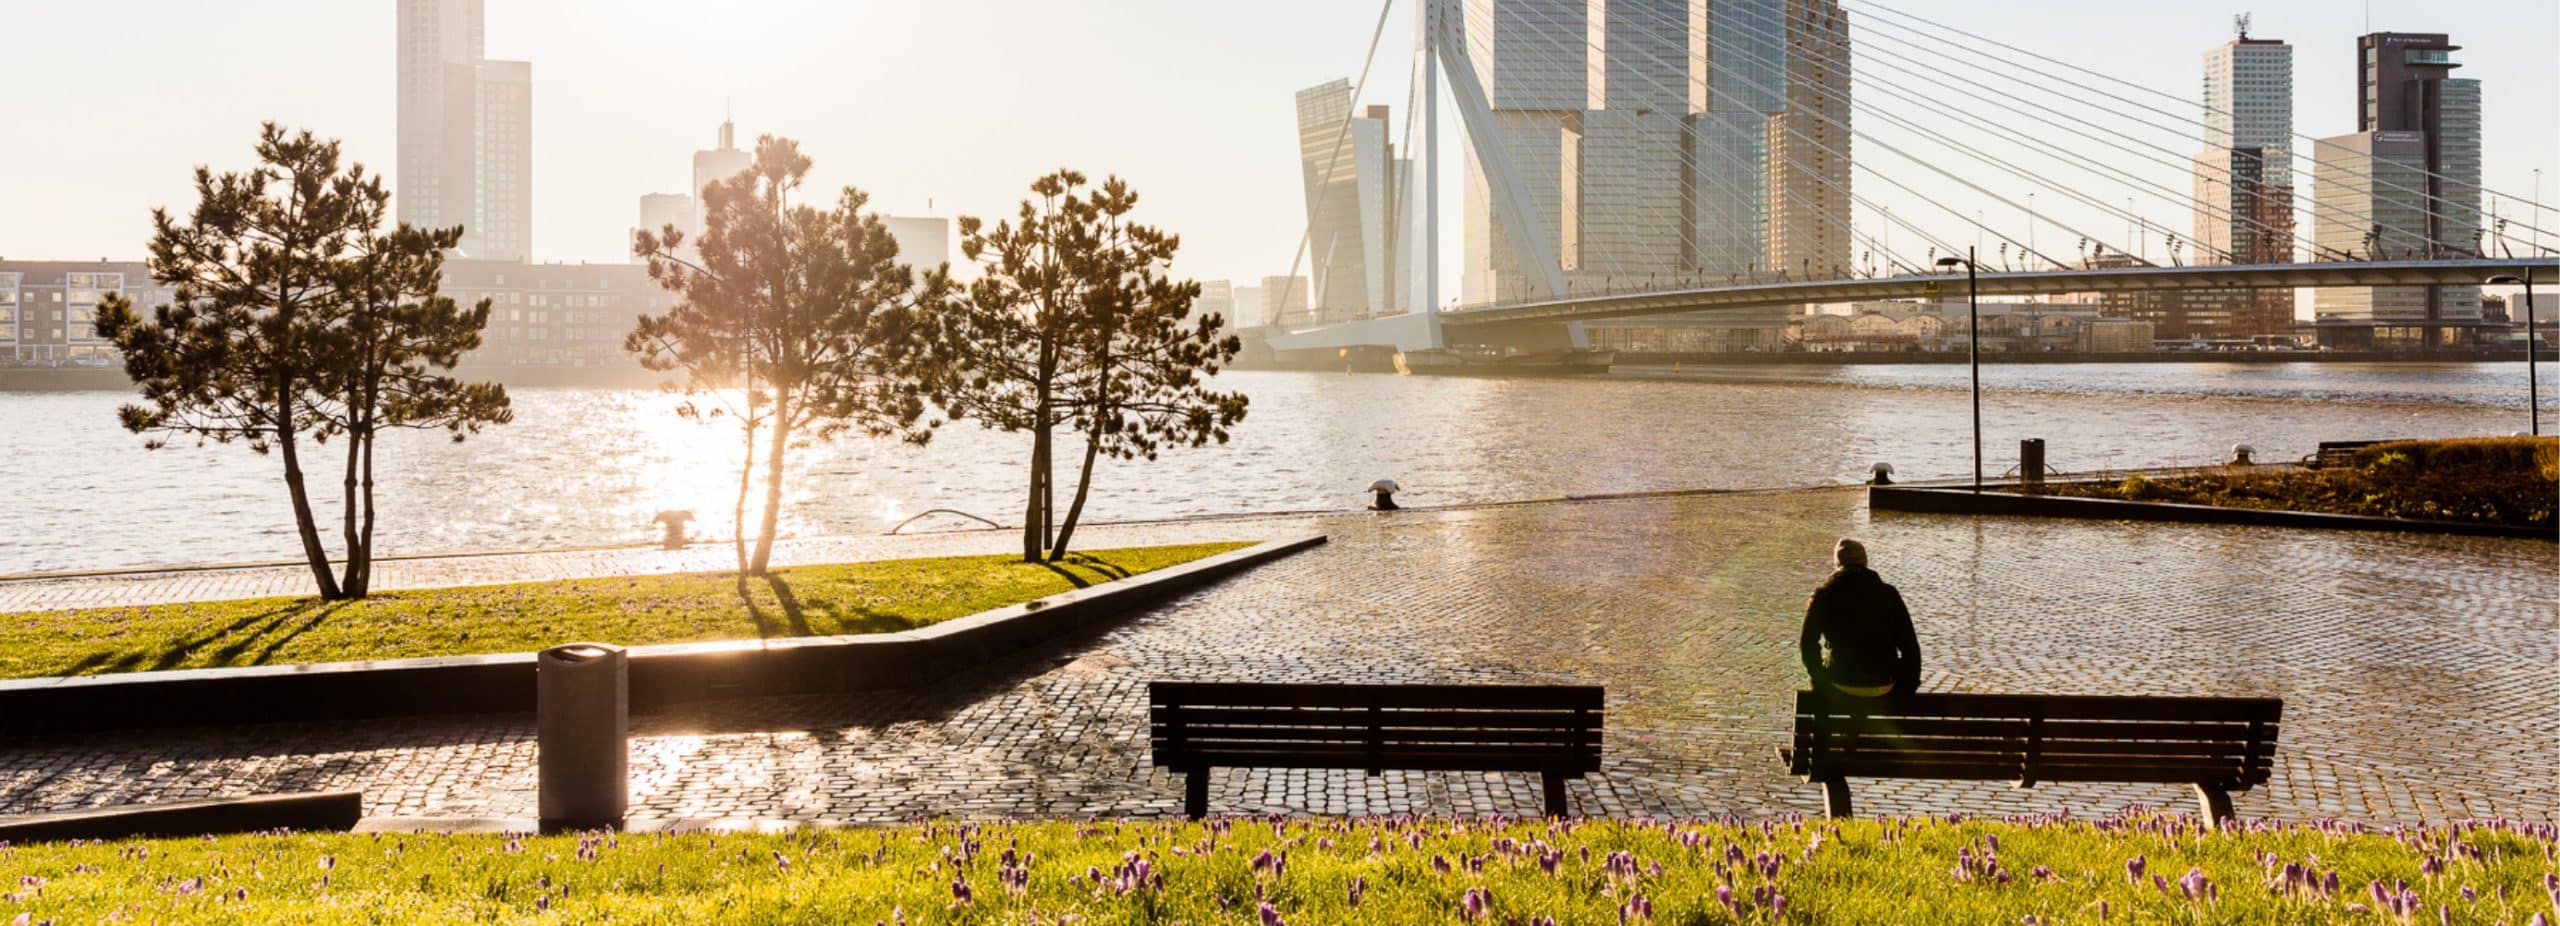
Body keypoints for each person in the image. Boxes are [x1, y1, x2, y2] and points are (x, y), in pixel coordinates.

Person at [1798, 539, 1921, 698]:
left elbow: (1807, 643)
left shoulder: (1824, 594)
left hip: (1839, 682)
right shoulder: (1888, 594)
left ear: (1837, 563)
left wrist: (1819, 679)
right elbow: (1910, 646)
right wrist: (1907, 686)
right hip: (1883, 683)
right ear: (1865, 562)